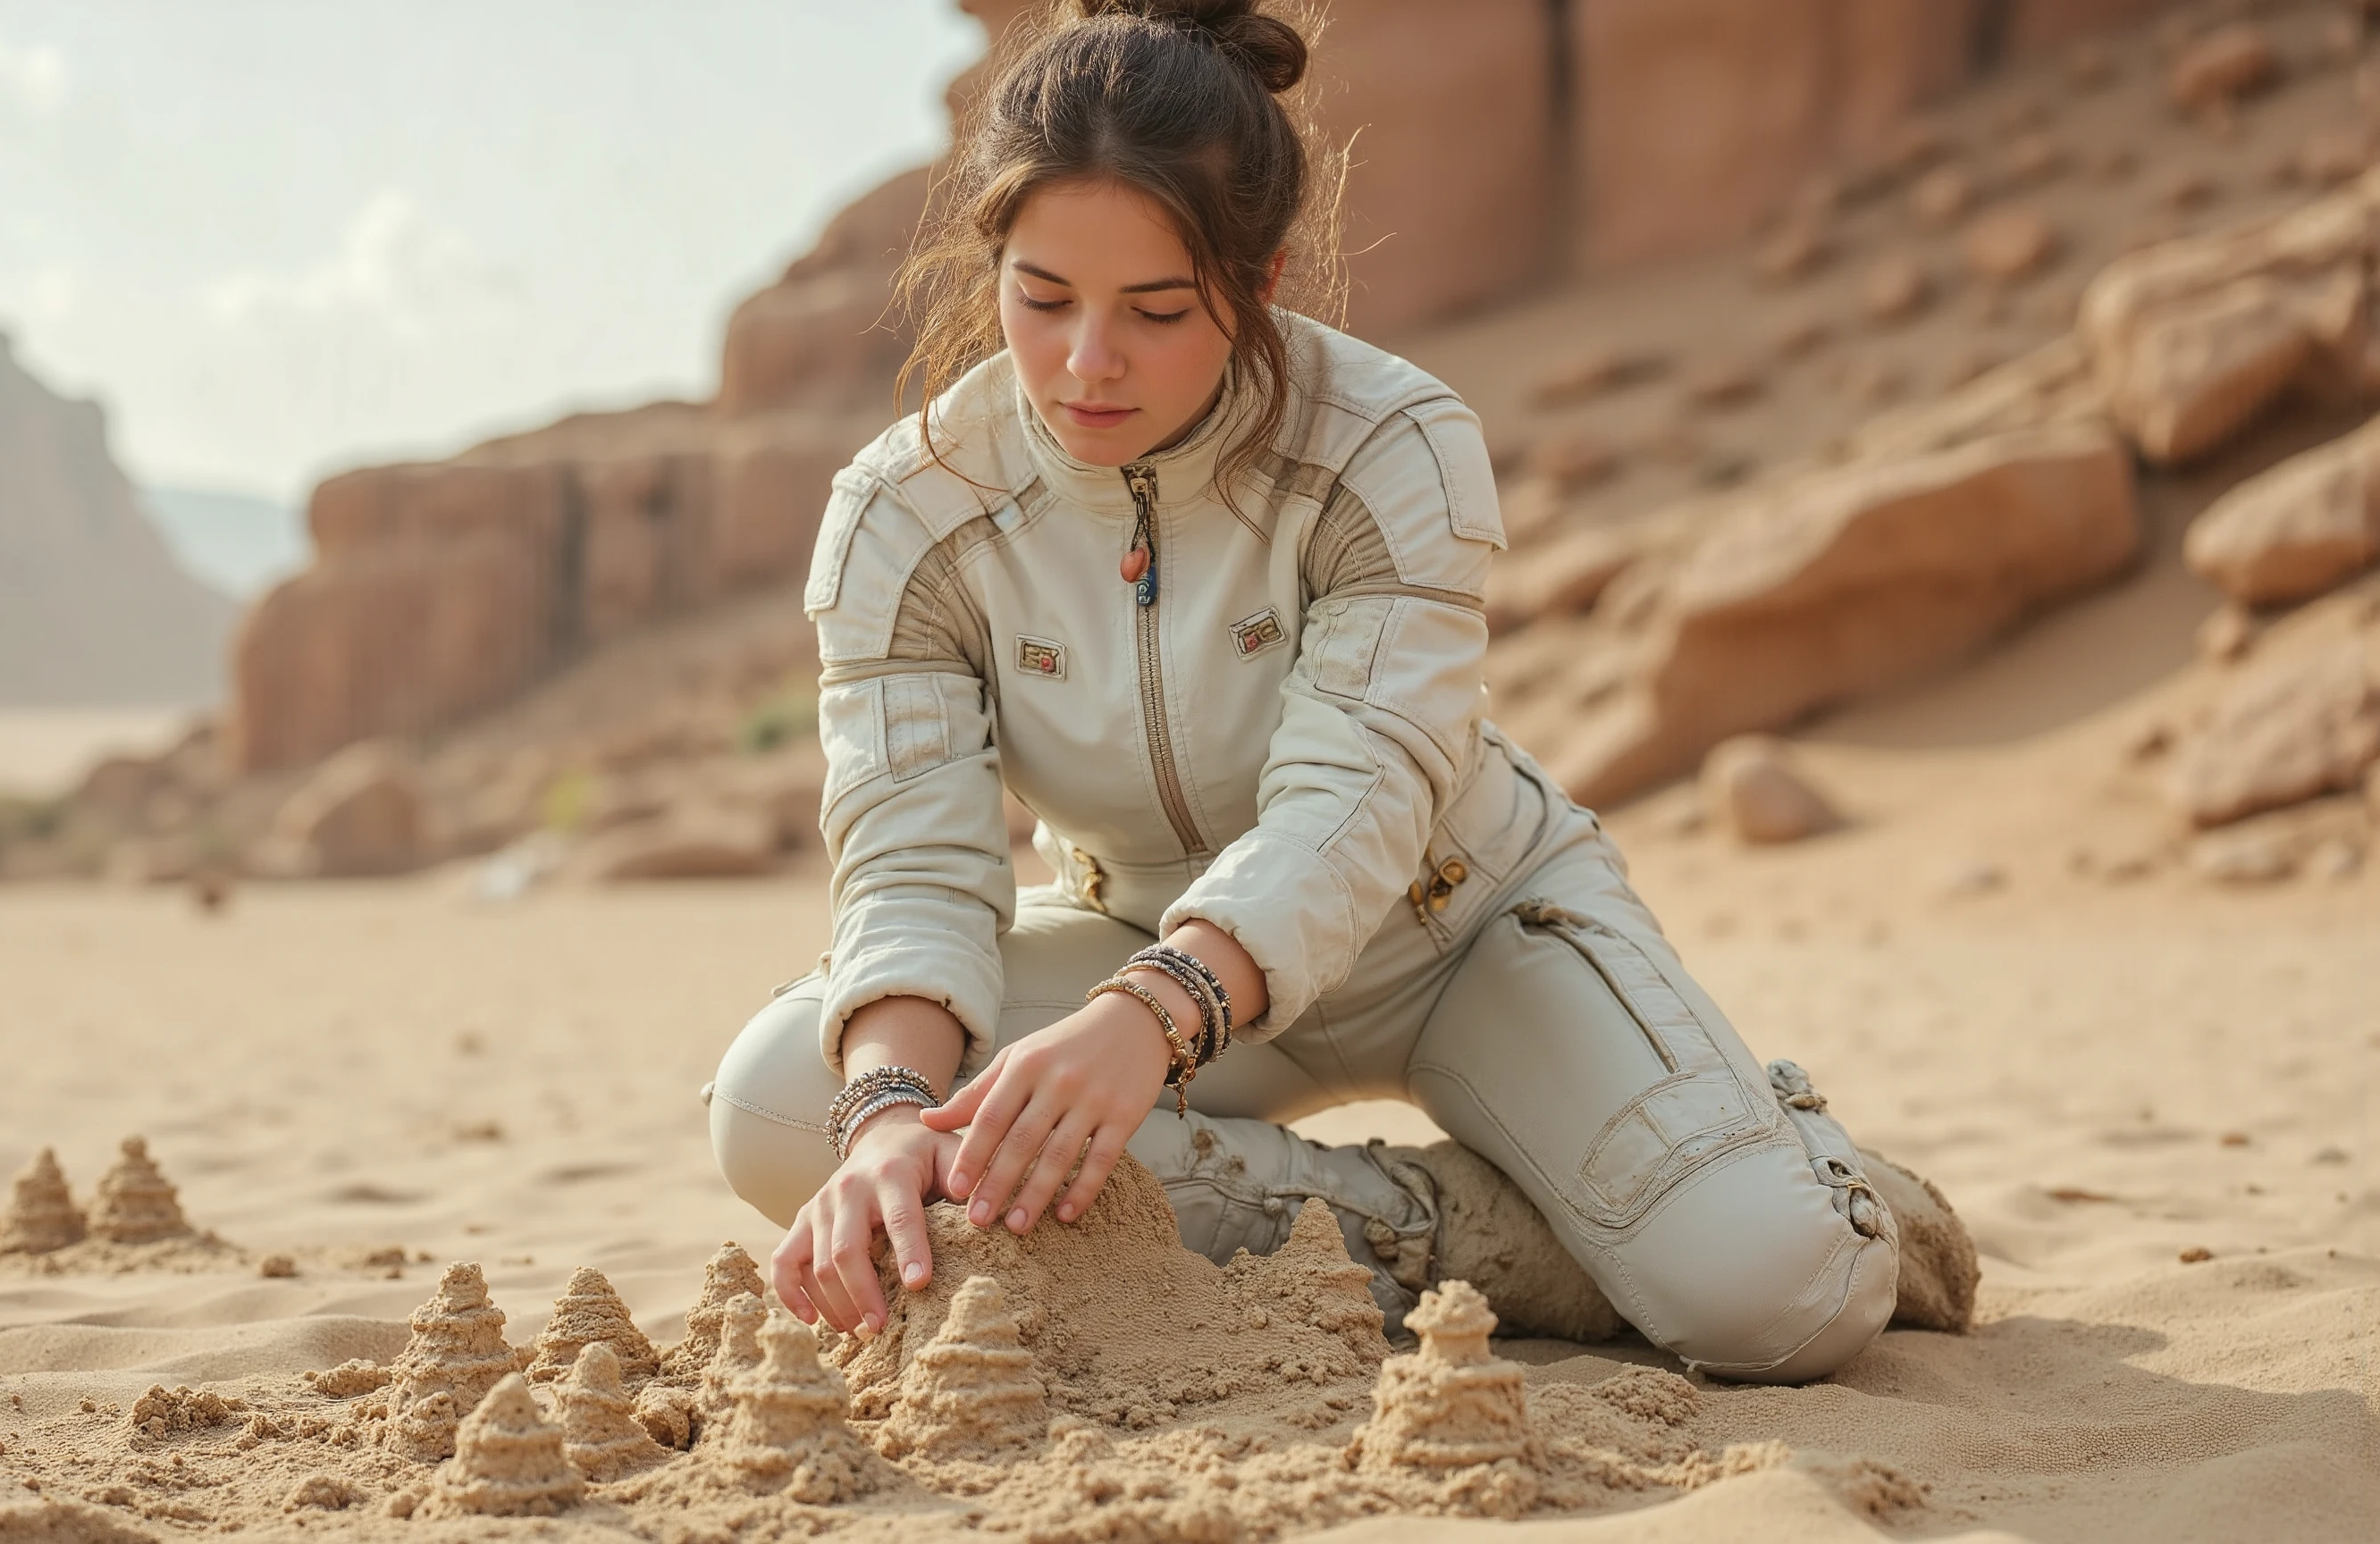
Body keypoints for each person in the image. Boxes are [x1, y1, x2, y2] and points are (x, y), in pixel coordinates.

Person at [706, 0, 1901, 1383]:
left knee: (1774, 1302)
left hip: (1457, 932)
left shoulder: (1394, 443)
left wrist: (1148, 1022)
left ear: (1260, 277)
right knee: (786, 1106)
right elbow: (912, 864)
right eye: (1042, 299)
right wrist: (891, 1115)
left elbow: (1360, 794)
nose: (1087, 363)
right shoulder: (902, 513)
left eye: (1156, 310)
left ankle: (1791, 1166)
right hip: (1132, 950)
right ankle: (1478, 1235)